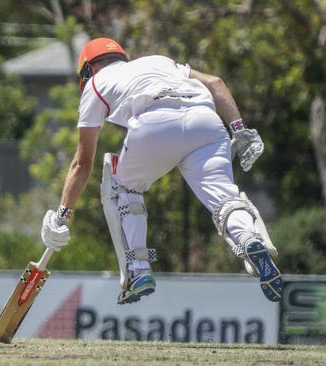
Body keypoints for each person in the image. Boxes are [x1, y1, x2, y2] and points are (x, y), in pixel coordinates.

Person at [40, 38, 283, 305]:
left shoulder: (95, 85)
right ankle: (248, 238)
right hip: (206, 121)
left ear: (88, 70)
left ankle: (138, 272)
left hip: (156, 122)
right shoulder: (159, 61)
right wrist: (239, 130)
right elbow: (215, 83)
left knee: (123, 186)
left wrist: (63, 215)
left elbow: (81, 163)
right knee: (224, 198)